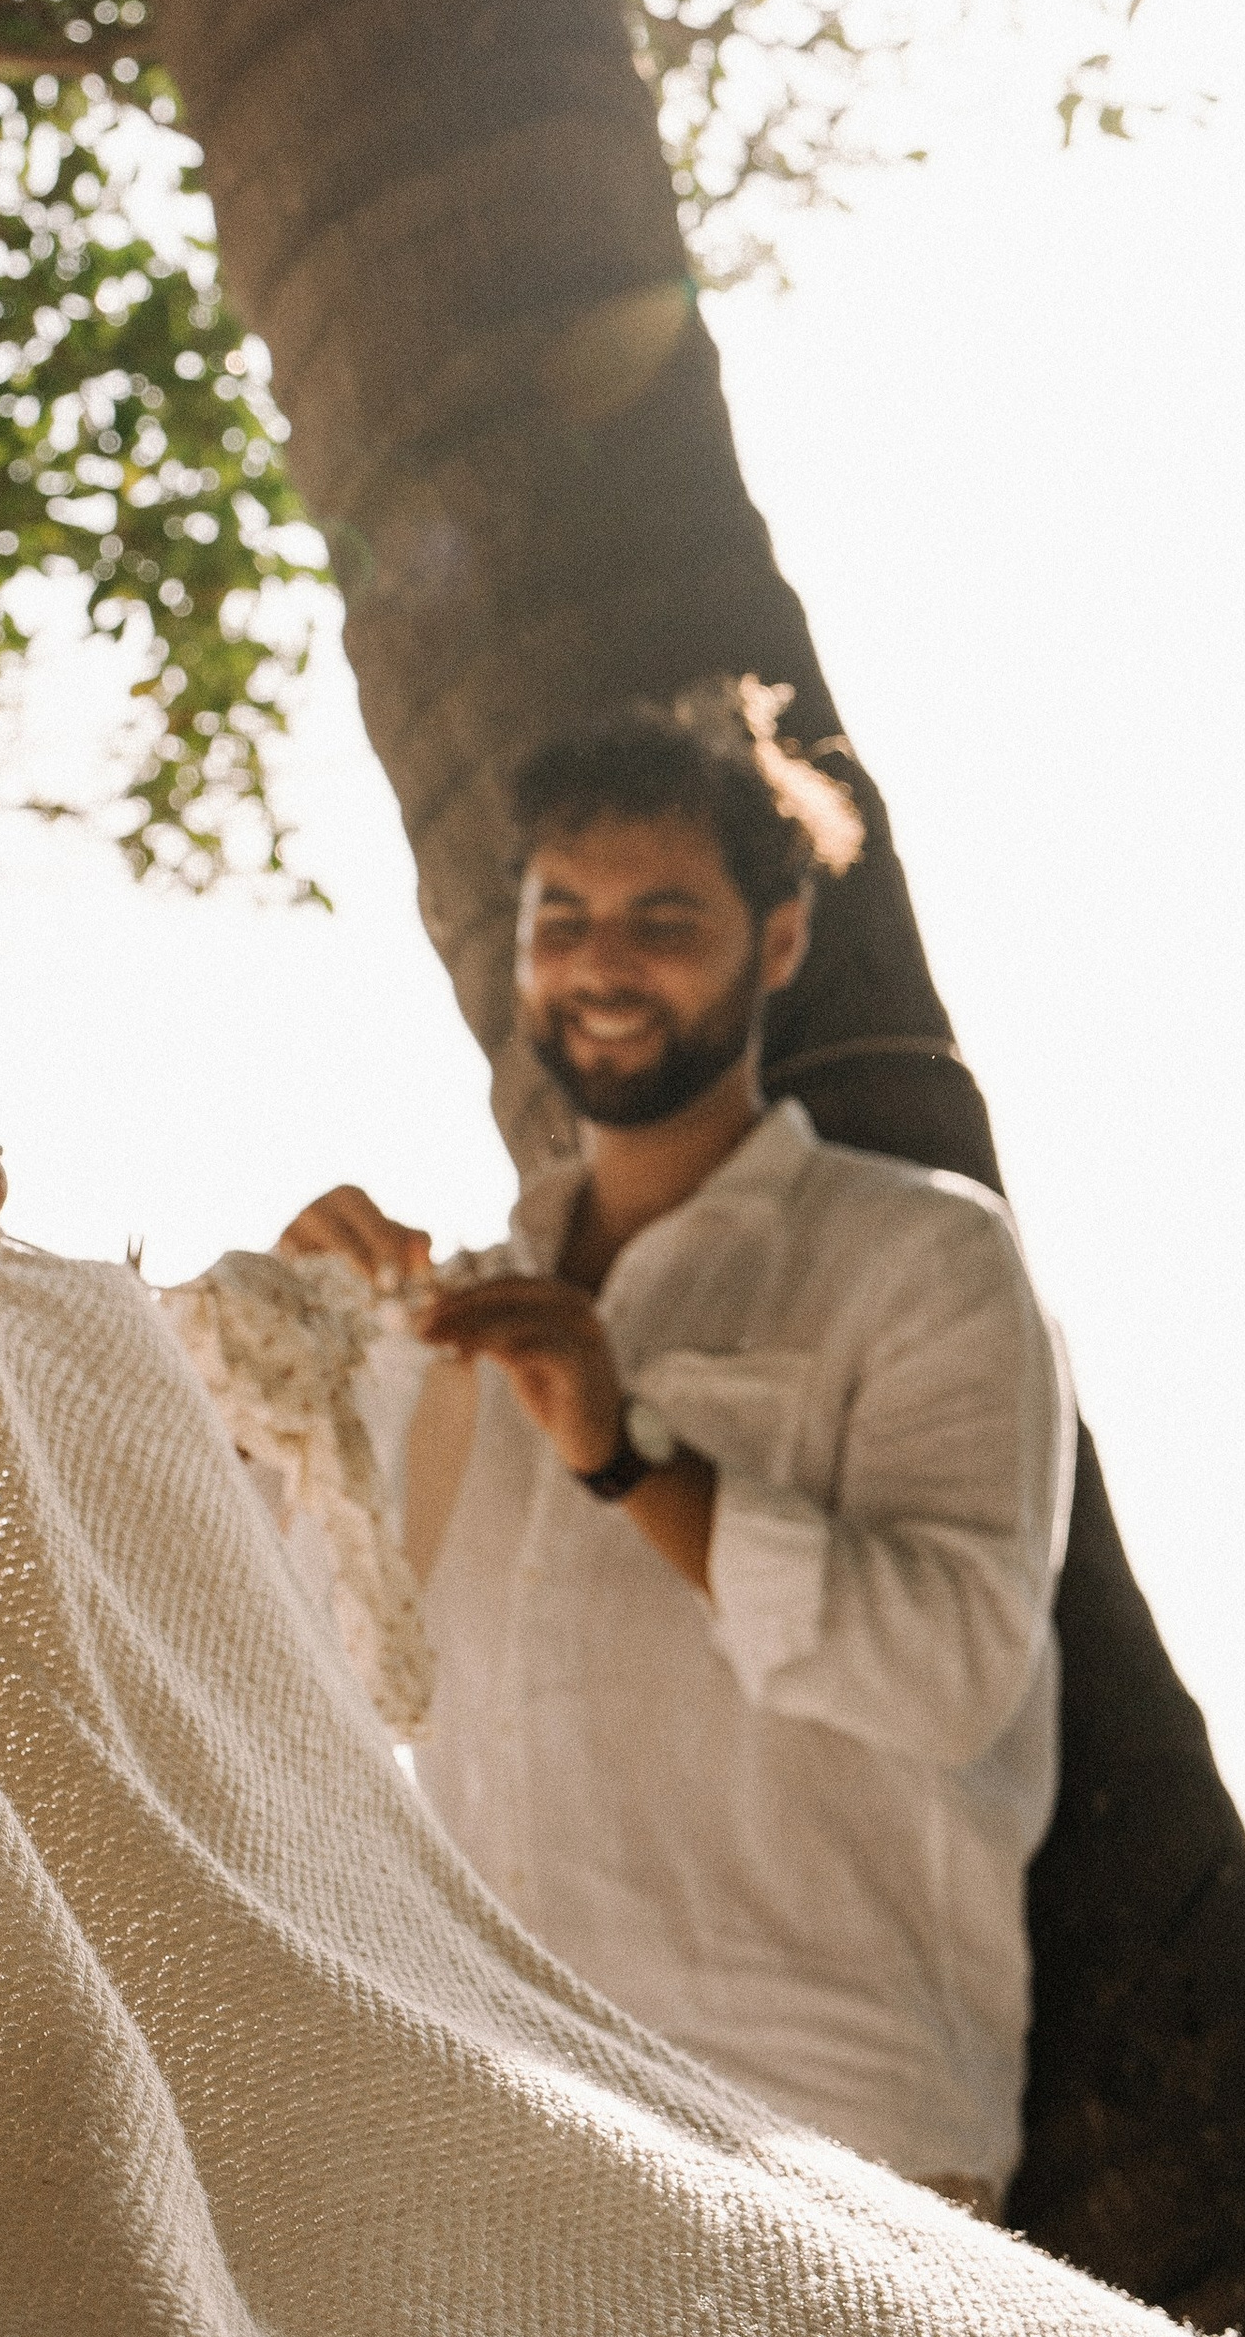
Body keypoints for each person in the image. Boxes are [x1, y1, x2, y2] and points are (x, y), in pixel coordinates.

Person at [277, 688, 1071, 2211]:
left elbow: (953, 1670)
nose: (600, 965)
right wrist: (300, 1351)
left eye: (662, 919)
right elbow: (311, 1659)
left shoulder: (919, 1261)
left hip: (833, 2148)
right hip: (510, 2133)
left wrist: (628, 1453)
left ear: (775, 942)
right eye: (560, 917)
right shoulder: (455, 1314)